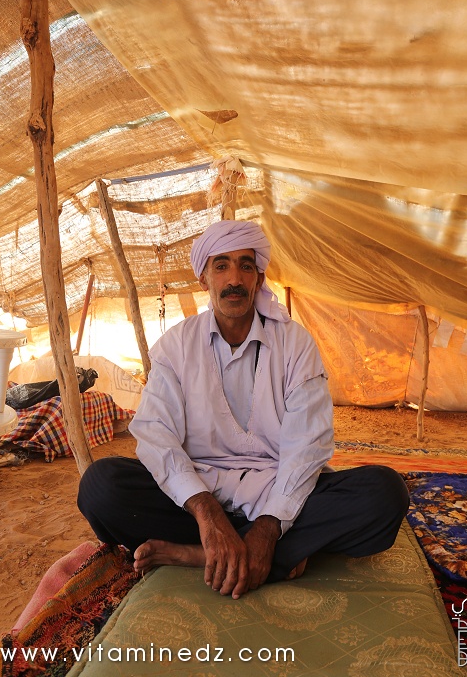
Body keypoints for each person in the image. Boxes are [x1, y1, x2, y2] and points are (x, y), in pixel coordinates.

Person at [78, 220, 409, 600]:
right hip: (197, 493)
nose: (234, 279)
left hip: (277, 492)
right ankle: (278, 553)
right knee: (101, 486)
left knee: (385, 494)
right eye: (221, 265)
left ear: (259, 278)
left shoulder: (295, 344)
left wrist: (268, 528)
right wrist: (207, 513)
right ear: (204, 278)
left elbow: (308, 447)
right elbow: (155, 435)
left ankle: (202, 555)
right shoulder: (176, 346)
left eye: (245, 266)